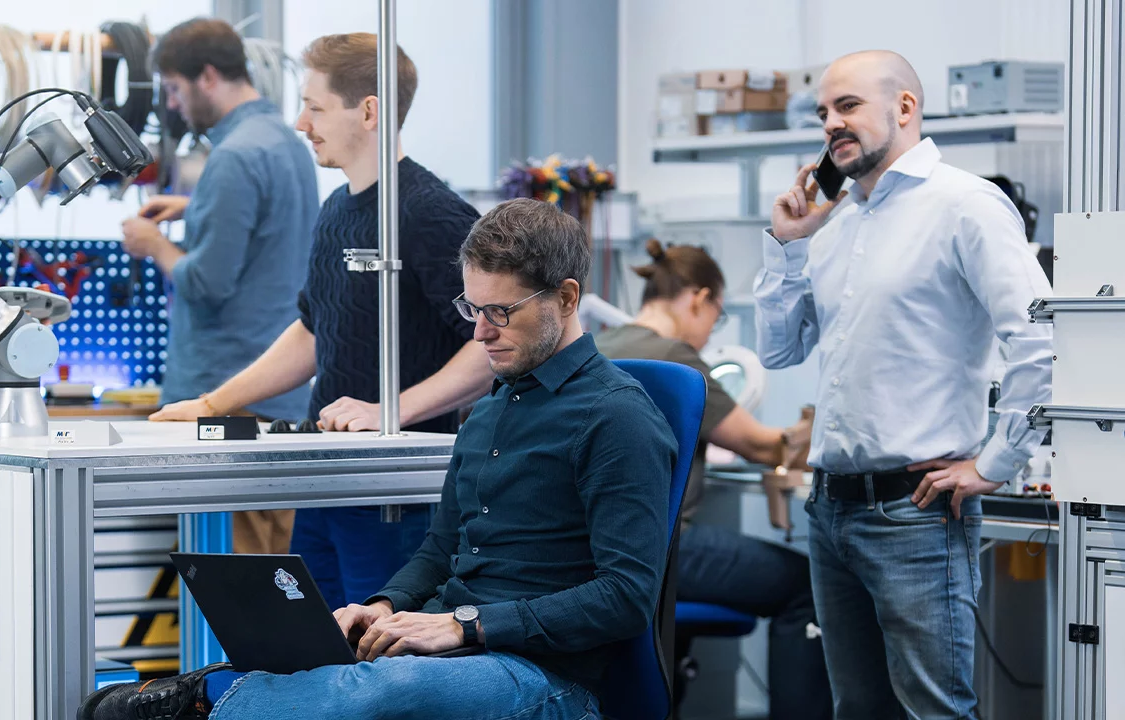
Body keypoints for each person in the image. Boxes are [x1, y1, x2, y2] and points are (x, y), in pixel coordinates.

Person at [78, 198, 677, 720]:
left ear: (566, 299)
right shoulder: (491, 411)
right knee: (316, 658)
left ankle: (204, 701)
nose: (480, 334)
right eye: (473, 309)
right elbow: (439, 552)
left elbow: (624, 596)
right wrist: (384, 605)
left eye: (502, 312)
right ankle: (219, 691)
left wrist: (464, 626)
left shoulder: (618, 418)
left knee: (378, 692)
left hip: (546, 677)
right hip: (458, 647)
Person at [754, 50, 1052, 718]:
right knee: (858, 709)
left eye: (848, 106)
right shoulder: (834, 227)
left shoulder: (965, 205)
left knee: (934, 711)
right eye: (825, 113)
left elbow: (1040, 337)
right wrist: (787, 246)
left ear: (905, 109)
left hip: (914, 514)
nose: (832, 124)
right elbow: (778, 350)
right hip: (830, 510)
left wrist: (998, 463)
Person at [150, 33, 495, 610]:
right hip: (325, 479)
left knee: (380, 664)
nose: (300, 123)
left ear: (368, 110)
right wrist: (214, 404)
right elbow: (313, 330)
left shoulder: (430, 213)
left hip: (396, 495)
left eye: (314, 107)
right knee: (314, 653)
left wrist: (391, 412)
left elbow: (489, 343)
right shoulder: (337, 209)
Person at [594, 239, 831, 720]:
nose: (709, 335)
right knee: (809, 585)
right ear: (699, 299)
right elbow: (766, 446)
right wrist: (821, 424)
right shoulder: (676, 357)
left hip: (599, 547)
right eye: (715, 318)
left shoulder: (599, 346)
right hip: (660, 549)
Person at [122, 18, 319, 555]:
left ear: (207, 76)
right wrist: (197, 207)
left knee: (234, 584)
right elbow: (270, 228)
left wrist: (152, 243)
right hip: (272, 397)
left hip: (228, 401)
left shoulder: (233, 157)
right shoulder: (283, 141)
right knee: (263, 571)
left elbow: (207, 283)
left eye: (174, 88)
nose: (174, 104)